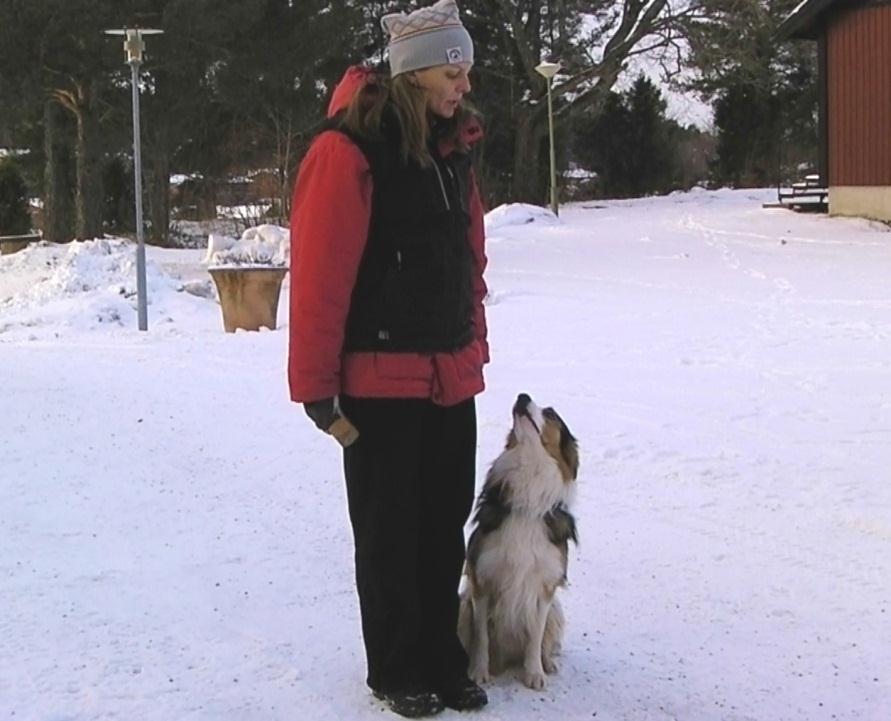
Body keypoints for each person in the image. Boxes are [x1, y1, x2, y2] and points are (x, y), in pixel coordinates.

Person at [287, 1, 489, 717]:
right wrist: (316, 388)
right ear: (412, 74)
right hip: (376, 381)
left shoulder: (453, 148)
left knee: (442, 526)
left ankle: (442, 653)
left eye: (464, 69)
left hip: (447, 377)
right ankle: (397, 665)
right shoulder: (346, 153)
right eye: (449, 70)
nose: (463, 84)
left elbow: (470, 257)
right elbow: (318, 275)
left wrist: (473, 345)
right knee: (389, 531)